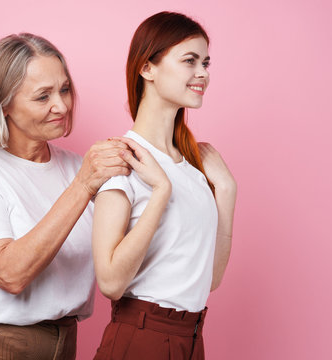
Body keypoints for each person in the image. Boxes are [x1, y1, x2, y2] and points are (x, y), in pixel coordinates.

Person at [0, 33, 132, 360]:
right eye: (43, 96)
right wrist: (82, 187)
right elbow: (10, 273)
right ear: (4, 104)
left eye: (65, 89)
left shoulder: (77, 167)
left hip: (62, 342)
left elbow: (124, 258)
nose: (62, 105)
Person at [92, 12, 237, 359]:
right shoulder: (122, 158)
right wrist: (160, 193)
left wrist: (228, 192)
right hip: (142, 338)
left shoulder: (192, 168)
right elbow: (110, 283)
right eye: (189, 61)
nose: (203, 73)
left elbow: (209, 280)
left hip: (190, 338)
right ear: (147, 69)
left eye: (205, 62)